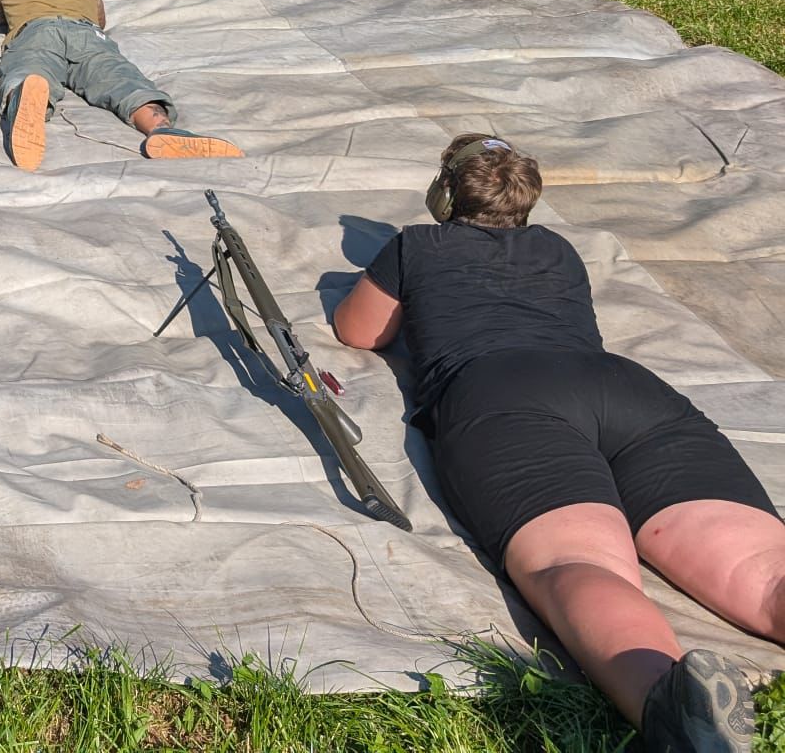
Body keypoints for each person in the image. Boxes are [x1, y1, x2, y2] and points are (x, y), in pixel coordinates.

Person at [334, 135, 782, 753]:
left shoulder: (416, 244)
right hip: (622, 387)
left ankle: (674, 706)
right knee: (763, 569)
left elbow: (359, 332)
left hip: (502, 393)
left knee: (577, 562)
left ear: (445, 193)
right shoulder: (558, 247)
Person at [0, 0, 240, 169]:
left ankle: (26, 97)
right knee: (122, 79)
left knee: (28, 69)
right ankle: (161, 129)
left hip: (36, 31)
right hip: (86, 33)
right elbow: (100, 19)